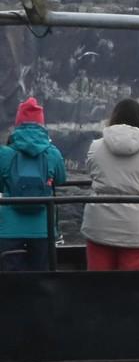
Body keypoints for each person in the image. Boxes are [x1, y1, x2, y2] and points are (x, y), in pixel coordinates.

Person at [82, 99, 139, 270]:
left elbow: (91, 171)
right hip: (137, 229)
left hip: (99, 225)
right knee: (132, 284)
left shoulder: (95, 147)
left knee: (97, 281)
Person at [0, 97, 68, 271]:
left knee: (12, 280)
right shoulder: (52, 153)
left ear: (18, 124)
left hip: (9, 230)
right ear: (41, 124)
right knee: (42, 279)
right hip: (43, 229)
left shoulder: (5, 154)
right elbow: (61, 179)